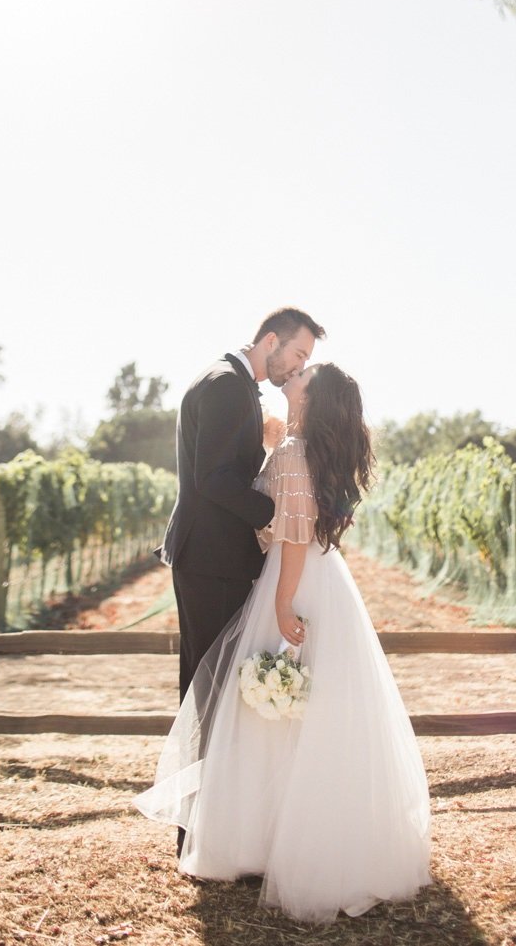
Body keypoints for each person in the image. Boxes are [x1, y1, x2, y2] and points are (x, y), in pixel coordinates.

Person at [136, 363, 432, 924]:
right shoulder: (311, 450)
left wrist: (280, 601)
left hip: (290, 580)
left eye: (300, 378)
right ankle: (302, 833)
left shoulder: (296, 454)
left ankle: (262, 838)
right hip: (323, 581)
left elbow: (293, 530)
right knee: (307, 712)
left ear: (312, 399)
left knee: (271, 710)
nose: (289, 379)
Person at [160, 307, 325, 703]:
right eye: (299, 355)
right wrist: (279, 517)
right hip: (212, 558)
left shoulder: (231, 381)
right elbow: (215, 479)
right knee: (211, 683)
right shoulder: (227, 385)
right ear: (272, 341)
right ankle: (207, 766)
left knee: (211, 678)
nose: (300, 365)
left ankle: (212, 765)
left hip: (213, 557)